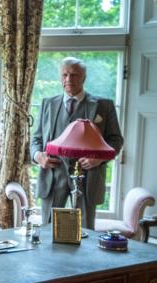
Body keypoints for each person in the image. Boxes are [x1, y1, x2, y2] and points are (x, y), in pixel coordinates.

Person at [31, 57, 124, 229]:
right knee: (48, 230)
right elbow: (36, 139)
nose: (68, 80)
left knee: (85, 232)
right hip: (53, 175)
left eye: (74, 75)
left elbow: (116, 140)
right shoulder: (48, 104)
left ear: (84, 78)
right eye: (64, 75)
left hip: (88, 177)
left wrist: (100, 159)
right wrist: (38, 156)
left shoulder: (104, 105)